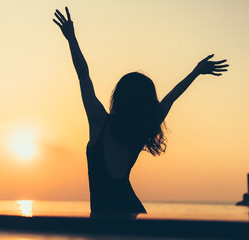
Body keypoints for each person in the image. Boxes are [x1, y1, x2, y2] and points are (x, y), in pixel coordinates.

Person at [53, 7, 228, 217]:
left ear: (117, 97)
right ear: (146, 104)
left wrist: (71, 38)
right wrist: (195, 72)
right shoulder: (141, 129)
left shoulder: (99, 122)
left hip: (103, 218)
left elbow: (84, 76)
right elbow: (171, 98)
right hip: (131, 212)